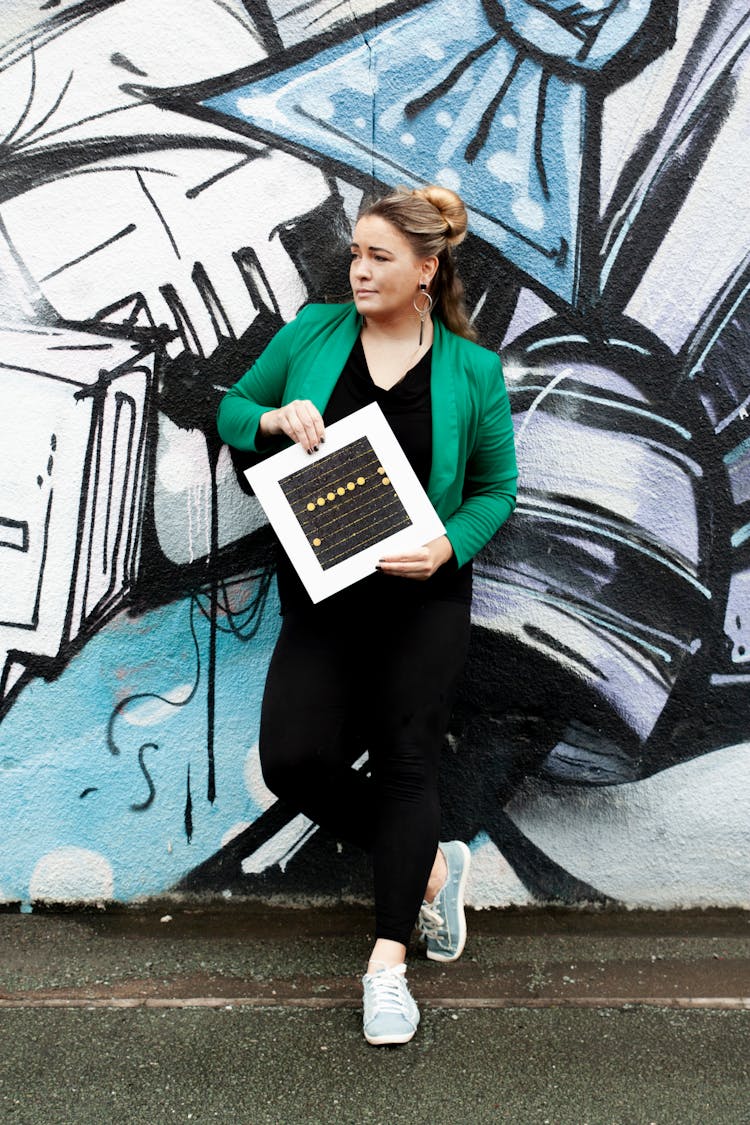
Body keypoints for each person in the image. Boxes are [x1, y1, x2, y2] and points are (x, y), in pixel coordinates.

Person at [216, 185, 517, 1045]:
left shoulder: (471, 370)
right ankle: (425, 869)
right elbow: (231, 408)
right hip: (323, 591)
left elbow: (498, 489)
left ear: (428, 269)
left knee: (407, 762)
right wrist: (273, 414)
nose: (359, 269)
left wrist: (449, 545)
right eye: (355, 253)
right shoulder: (313, 332)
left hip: (423, 597)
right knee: (294, 758)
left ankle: (388, 963)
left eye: (380, 257)